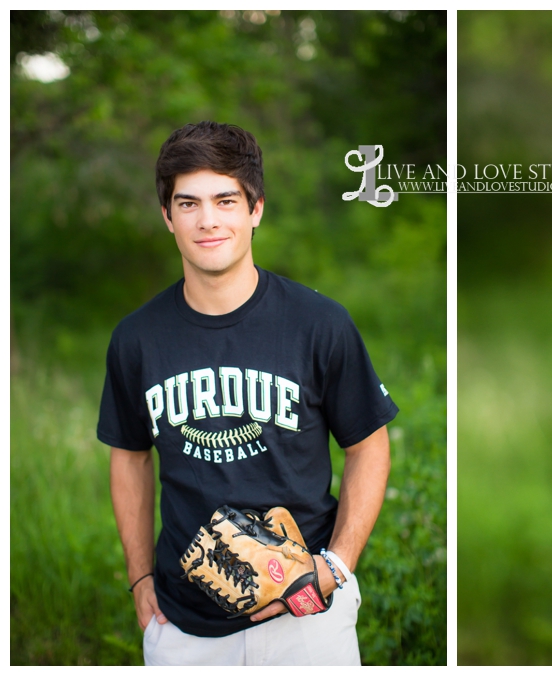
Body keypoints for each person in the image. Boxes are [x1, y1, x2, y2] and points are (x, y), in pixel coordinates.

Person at [97, 121, 399, 666]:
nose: (207, 220)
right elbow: (130, 457)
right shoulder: (136, 339)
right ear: (167, 216)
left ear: (255, 208)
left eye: (225, 200)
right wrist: (139, 576)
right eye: (187, 204)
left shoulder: (319, 324)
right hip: (183, 624)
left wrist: (337, 565)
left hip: (307, 618)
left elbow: (369, 446)